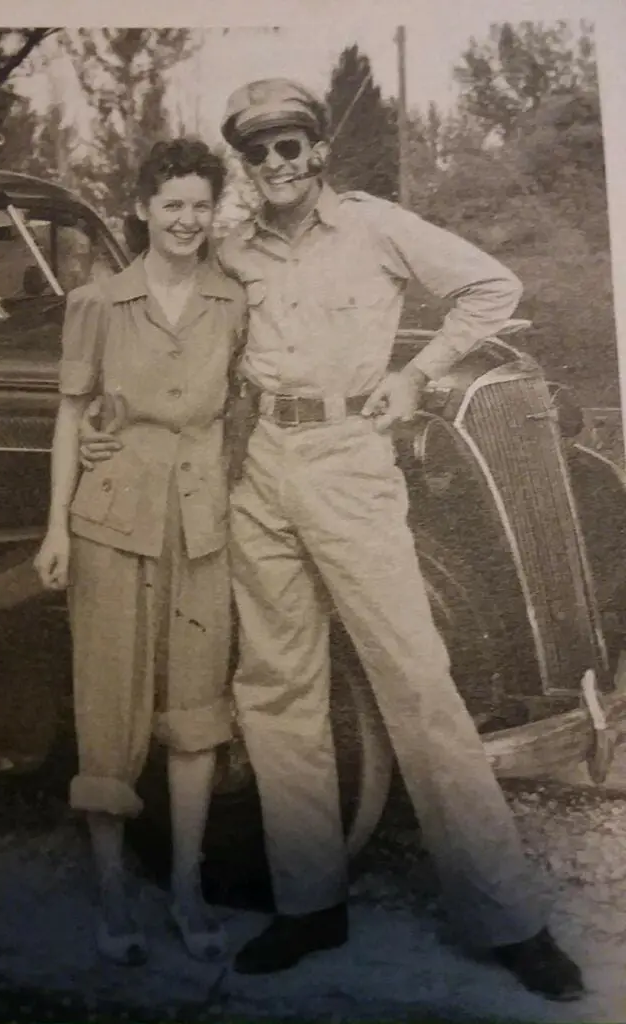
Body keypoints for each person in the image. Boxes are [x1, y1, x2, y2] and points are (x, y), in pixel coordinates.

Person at [210, 78, 584, 1000]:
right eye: (255, 152)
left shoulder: (374, 227)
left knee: (417, 682)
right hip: (261, 465)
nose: (274, 165)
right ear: (243, 166)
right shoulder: (231, 243)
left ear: (319, 152)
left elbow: (494, 287)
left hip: (349, 460)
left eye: (289, 146)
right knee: (276, 689)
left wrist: (418, 375)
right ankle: (308, 904)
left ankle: (509, 921)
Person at [34, 137, 246, 967]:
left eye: (201, 205)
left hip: (200, 524)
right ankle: (114, 889)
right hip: (110, 517)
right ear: (143, 209)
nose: (187, 220)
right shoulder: (97, 302)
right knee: (109, 708)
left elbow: (240, 413)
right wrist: (56, 524)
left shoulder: (234, 302)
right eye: (172, 205)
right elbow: (68, 415)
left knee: (195, 713)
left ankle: (186, 886)